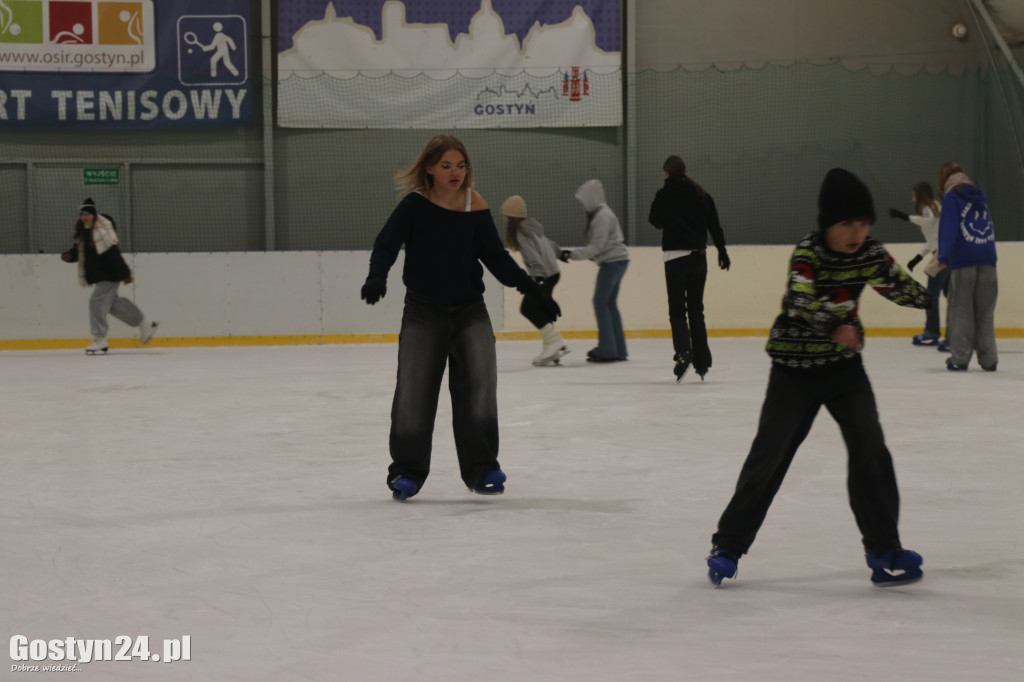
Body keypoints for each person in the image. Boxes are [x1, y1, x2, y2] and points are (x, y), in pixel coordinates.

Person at [705, 168, 930, 588]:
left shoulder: (870, 254)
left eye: (863, 224)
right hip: (793, 372)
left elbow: (897, 285)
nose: (857, 233)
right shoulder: (808, 253)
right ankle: (728, 546)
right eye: (848, 224)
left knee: (871, 450)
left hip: (844, 370)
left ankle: (884, 547)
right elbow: (799, 299)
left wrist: (935, 299)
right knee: (769, 457)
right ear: (828, 223)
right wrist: (836, 328)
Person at [360, 134, 561, 501]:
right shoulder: (414, 205)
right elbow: (387, 242)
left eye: (461, 165)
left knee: (479, 390)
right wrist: (378, 273)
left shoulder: (475, 204)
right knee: (414, 393)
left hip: (470, 311)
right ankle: (406, 471)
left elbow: (495, 257)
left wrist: (531, 289)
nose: (455, 172)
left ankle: (482, 467)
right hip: (424, 311)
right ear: (431, 169)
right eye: (447, 166)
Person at [648, 155, 730, 381]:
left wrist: (665, 195)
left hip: (675, 258)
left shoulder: (665, 195)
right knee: (696, 310)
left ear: (666, 173)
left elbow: (654, 220)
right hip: (699, 259)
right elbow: (714, 225)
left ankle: (684, 351)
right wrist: (722, 252)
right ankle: (702, 361)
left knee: (677, 310)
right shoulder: (701, 195)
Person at [60, 198, 157, 355]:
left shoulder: (101, 232)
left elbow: (113, 253)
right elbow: (82, 251)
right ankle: (145, 323)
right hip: (101, 275)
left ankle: (100, 339)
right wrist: (71, 255)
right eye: (82, 214)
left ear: (94, 215)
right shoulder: (86, 232)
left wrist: (125, 273)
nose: (85, 217)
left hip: (109, 274)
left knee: (96, 302)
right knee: (112, 304)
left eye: (88, 214)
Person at [935, 163, 998, 372]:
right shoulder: (979, 195)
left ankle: (959, 359)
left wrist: (943, 256)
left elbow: (949, 228)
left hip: (964, 259)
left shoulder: (952, 197)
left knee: (961, 310)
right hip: (988, 257)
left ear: (944, 181)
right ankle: (989, 359)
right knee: (985, 311)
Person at [560, 179, 629, 362]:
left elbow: (597, 246)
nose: (584, 204)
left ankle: (607, 350)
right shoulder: (604, 213)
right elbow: (602, 246)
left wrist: (571, 256)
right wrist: (594, 255)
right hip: (618, 261)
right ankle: (619, 348)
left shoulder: (601, 217)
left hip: (612, 263)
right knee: (609, 303)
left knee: (600, 302)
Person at [501, 195, 569, 366]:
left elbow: (533, 257)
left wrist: (538, 279)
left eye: (506, 215)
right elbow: (550, 244)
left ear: (511, 217)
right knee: (541, 308)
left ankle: (555, 342)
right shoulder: (533, 227)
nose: (504, 218)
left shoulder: (520, 232)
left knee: (527, 308)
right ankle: (552, 349)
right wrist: (560, 253)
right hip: (553, 273)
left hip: (544, 275)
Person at [889, 181, 947, 347]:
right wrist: (918, 257)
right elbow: (933, 239)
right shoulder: (934, 207)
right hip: (945, 253)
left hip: (941, 256)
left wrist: (905, 217)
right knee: (951, 295)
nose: (913, 198)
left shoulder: (931, 209)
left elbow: (927, 222)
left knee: (931, 296)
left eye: (914, 195)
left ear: (920, 195)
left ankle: (932, 332)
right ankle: (951, 333)